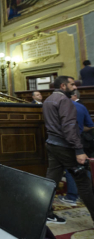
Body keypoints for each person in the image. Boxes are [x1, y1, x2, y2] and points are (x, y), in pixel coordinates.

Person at [43, 76, 94, 225]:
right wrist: (79, 150)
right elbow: (69, 127)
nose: (75, 87)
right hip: (64, 146)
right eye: (72, 85)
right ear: (63, 86)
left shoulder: (48, 100)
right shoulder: (65, 101)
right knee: (83, 182)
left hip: (52, 144)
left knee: (50, 181)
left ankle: (44, 213)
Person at [59, 91, 94, 206]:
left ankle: (72, 196)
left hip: (67, 141)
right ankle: (87, 196)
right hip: (83, 141)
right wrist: (80, 130)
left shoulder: (61, 107)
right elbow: (90, 125)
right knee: (85, 167)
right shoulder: (81, 107)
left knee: (71, 168)